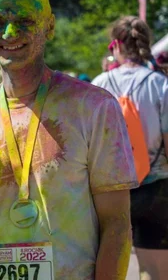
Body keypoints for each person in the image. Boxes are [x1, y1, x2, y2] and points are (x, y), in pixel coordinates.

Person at [0, 0, 135, 279]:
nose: (9, 32)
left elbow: (116, 223)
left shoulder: (94, 108)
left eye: (24, 21)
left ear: (49, 27)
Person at [92, 16, 168, 279]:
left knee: (109, 270)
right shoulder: (160, 83)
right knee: (154, 272)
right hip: (155, 186)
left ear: (115, 46)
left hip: (109, 190)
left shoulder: (99, 84)